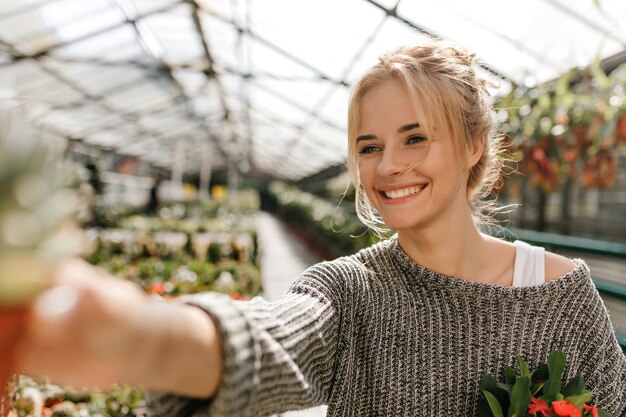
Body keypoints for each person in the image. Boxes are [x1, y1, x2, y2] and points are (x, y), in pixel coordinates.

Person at [12, 41, 626, 416]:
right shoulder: (348, 292)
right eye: (369, 146)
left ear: (472, 146)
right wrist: (139, 336)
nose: (388, 166)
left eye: (415, 137)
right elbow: (270, 341)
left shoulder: (561, 295)